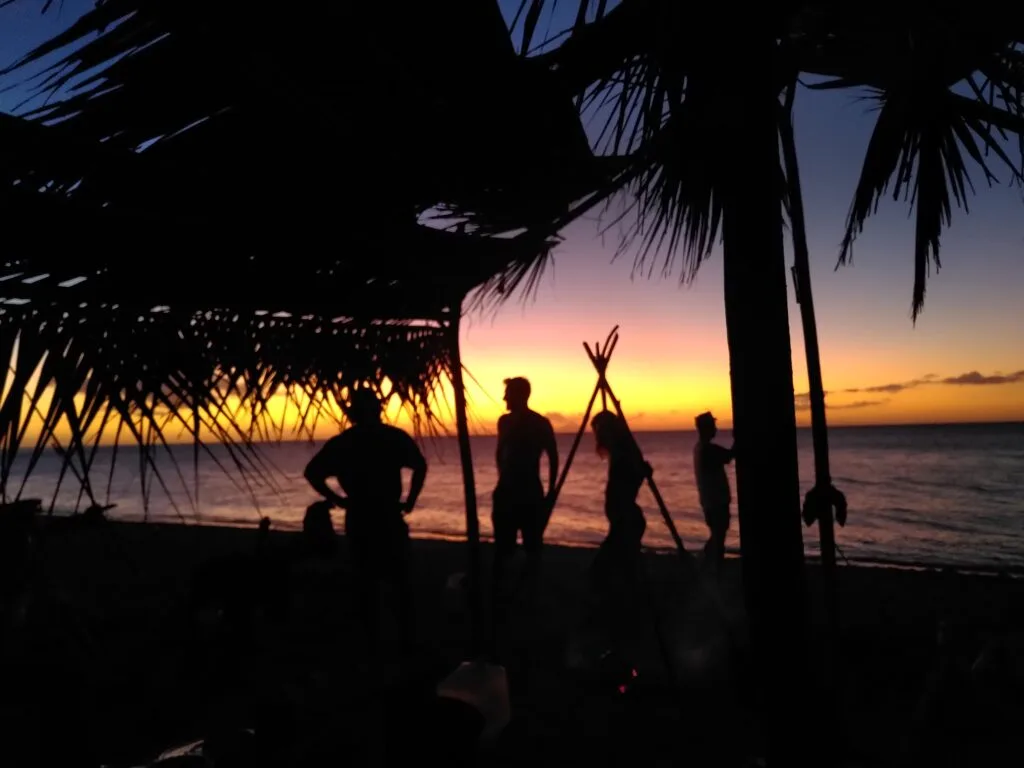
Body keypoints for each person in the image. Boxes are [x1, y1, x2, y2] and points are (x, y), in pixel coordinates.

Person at [303, 388, 427, 647]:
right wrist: (411, 500)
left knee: (367, 582)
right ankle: (404, 639)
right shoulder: (392, 437)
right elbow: (420, 466)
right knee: (398, 581)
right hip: (386, 515)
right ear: (377, 410)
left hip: (360, 516)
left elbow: (312, 472)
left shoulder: (344, 442)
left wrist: (338, 499)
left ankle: (374, 640)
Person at [585, 411, 651, 660]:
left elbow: (634, 476)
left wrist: (641, 471)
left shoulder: (624, 454)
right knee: (622, 572)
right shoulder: (620, 452)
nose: (598, 436)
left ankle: (623, 622)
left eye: (600, 430)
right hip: (624, 523)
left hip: (626, 523)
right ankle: (626, 618)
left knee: (603, 573)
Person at [491, 377, 558, 603]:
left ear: (520, 395)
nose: (504, 398)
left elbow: (553, 456)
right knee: (503, 546)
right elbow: (500, 453)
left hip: (529, 491)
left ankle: (528, 592)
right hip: (506, 491)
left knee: (532, 545)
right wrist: (502, 478)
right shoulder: (504, 422)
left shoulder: (540, 423)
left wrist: (551, 491)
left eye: (508, 393)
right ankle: (504, 590)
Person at [692, 411, 735, 575]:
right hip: (716, 502)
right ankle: (715, 570)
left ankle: (705, 565)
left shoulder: (700, 449)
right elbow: (729, 456)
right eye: (713, 426)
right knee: (719, 538)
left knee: (716, 536)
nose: (716, 429)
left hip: (710, 501)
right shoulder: (707, 450)